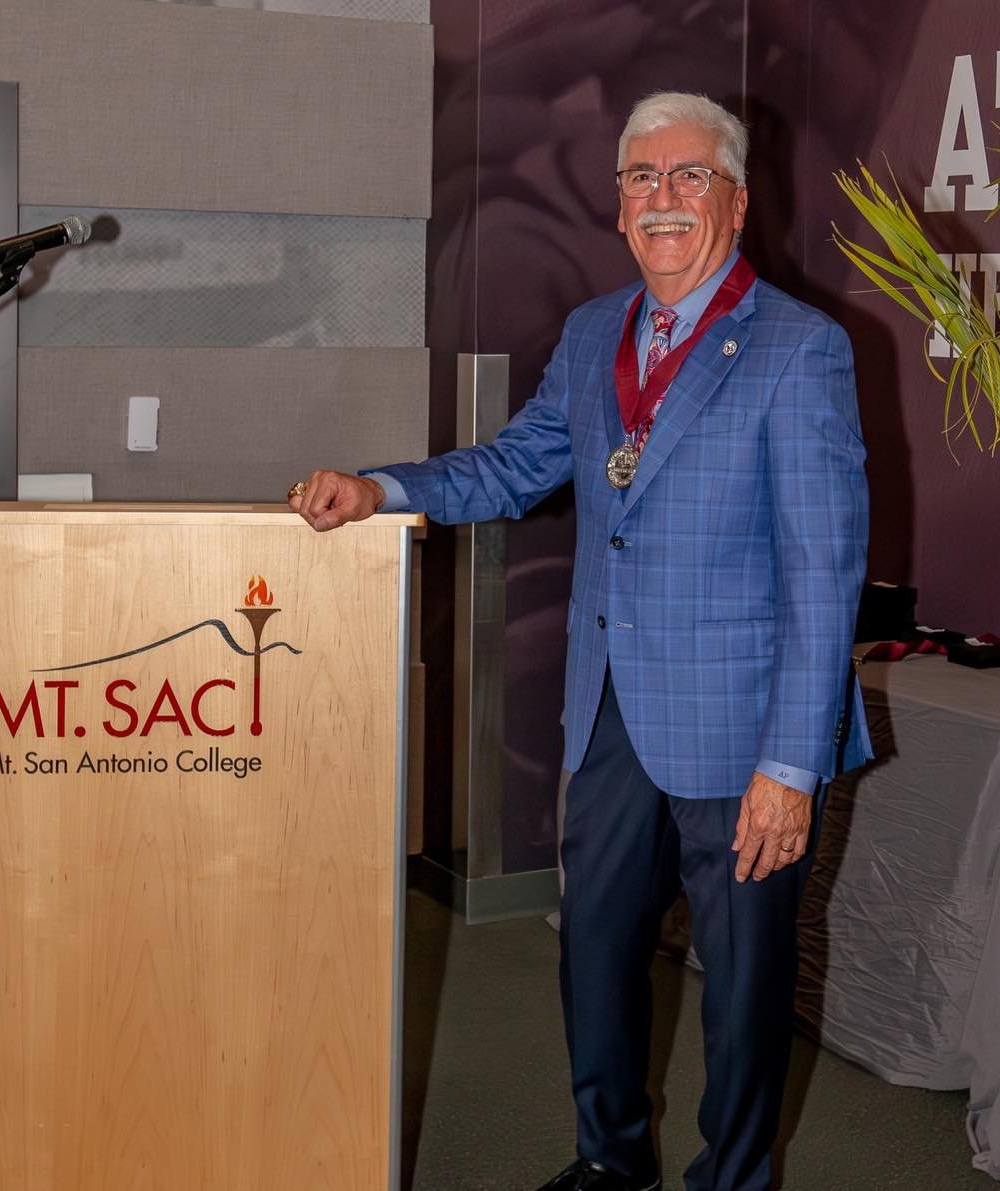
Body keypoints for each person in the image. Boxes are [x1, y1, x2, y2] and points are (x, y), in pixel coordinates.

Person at [288, 91, 870, 1191]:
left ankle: (730, 1181)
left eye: (689, 176)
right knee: (592, 958)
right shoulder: (595, 332)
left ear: (737, 203)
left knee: (743, 989)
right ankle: (611, 1163)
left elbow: (823, 575)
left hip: (744, 732)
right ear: (616, 209)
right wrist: (380, 488)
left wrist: (791, 768)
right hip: (607, 715)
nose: (662, 199)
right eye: (640, 179)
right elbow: (513, 465)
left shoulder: (801, 351)